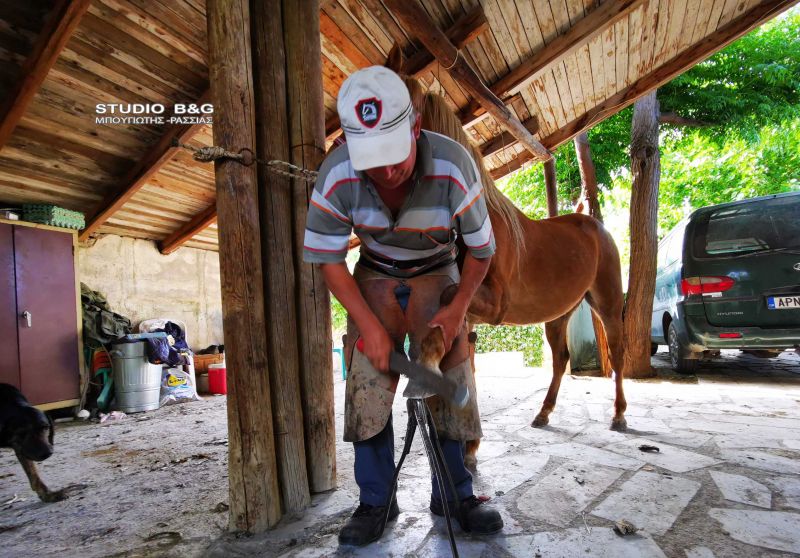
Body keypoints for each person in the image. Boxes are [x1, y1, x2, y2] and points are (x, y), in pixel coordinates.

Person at [303, 66, 503, 547]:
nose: (387, 171)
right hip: (374, 270)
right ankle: (376, 500)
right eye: (373, 159)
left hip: (438, 266)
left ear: (415, 126)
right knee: (367, 383)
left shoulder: (454, 164)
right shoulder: (336, 172)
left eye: (395, 154)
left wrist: (455, 313)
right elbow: (329, 259)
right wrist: (369, 327)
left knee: (451, 373)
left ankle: (456, 495)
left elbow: (481, 250)